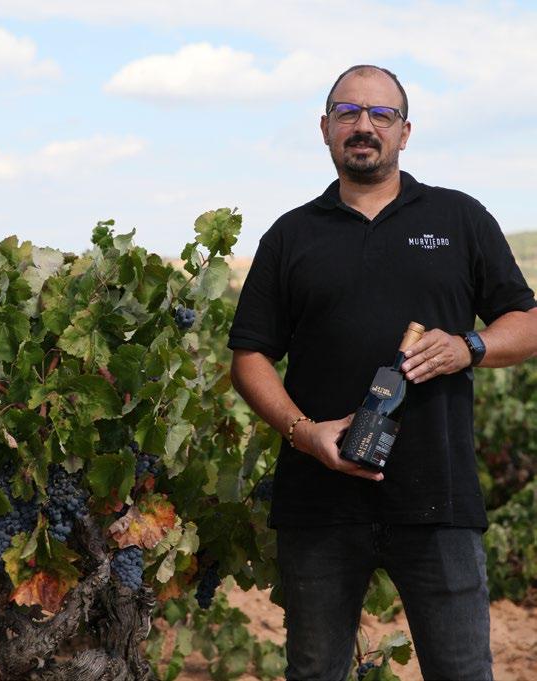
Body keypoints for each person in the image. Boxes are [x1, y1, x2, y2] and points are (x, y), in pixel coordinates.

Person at [227, 64, 537, 681]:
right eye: (347, 112)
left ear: (405, 131)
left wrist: (471, 346)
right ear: (325, 128)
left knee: (462, 672)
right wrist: (303, 433)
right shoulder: (290, 235)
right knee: (315, 674)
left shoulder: (459, 218)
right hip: (318, 502)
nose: (363, 125)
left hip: (439, 502)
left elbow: (527, 322)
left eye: (381, 114)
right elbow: (248, 357)